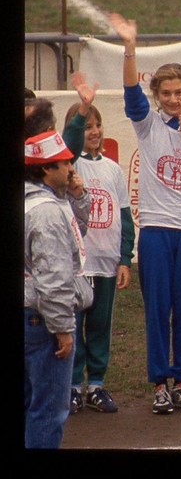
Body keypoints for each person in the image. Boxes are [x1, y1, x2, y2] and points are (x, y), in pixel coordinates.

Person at [109, 12, 181, 414]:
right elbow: (130, 93)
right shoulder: (147, 125)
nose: (174, 100)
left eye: (179, 92)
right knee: (158, 310)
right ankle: (160, 383)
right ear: (157, 96)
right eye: (167, 93)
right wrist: (129, 49)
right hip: (156, 230)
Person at [64, 100, 135, 414]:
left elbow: (125, 217)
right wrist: (80, 114)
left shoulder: (113, 169)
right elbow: (69, 144)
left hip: (106, 262)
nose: (94, 132)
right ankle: (71, 386)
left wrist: (124, 259)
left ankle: (96, 385)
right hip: (78, 265)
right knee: (73, 323)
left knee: (99, 326)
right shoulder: (69, 165)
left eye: (97, 125)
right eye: (87, 127)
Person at [24, 131, 94, 447]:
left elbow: (73, 237)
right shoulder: (47, 212)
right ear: (45, 169)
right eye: (63, 162)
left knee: (31, 406)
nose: (70, 167)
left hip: (31, 314)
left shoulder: (39, 203)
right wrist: (63, 328)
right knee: (48, 411)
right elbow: (53, 277)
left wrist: (77, 198)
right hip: (44, 321)